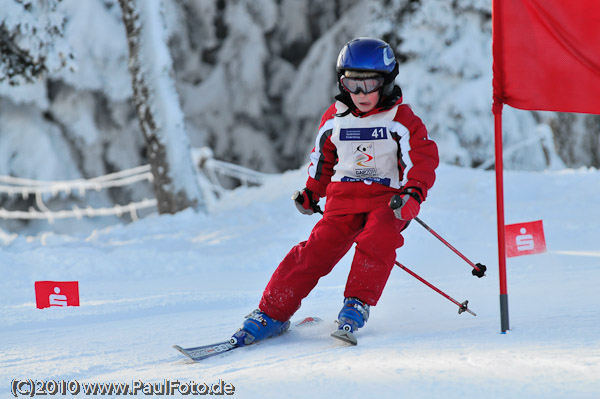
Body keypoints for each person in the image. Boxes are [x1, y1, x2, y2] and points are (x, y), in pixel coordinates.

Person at [231, 37, 439, 346]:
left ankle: (356, 304)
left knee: (377, 239)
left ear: (387, 81)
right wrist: (311, 192)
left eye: (370, 84)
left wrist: (413, 193)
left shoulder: (401, 120)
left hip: (387, 201)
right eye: (352, 84)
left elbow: (422, 160)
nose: (361, 94)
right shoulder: (336, 118)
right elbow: (322, 160)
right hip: (342, 200)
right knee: (314, 251)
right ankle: (271, 313)